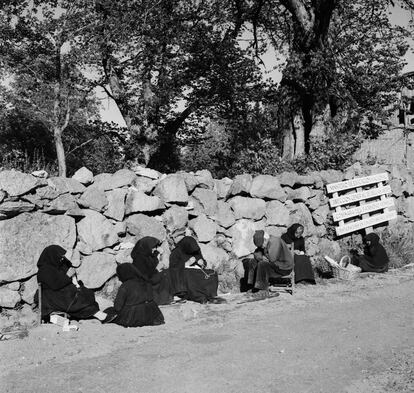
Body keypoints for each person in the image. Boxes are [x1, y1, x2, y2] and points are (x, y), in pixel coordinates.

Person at [36, 245, 116, 323]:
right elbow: (55, 285)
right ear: (53, 257)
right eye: (60, 257)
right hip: (52, 298)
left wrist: (71, 276)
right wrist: (67, 276)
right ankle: (100, 315)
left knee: (85, 292)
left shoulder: (57, 267)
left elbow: (63, 279)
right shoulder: (44, 271)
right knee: (75, 297)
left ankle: (95, 314)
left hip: (61, 294)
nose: (61, 259)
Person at [169, 236, 221, 304]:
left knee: (213, 273)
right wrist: (187, 264)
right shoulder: (176, 253)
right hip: (184, 273)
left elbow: (202, 261)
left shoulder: (195, 250)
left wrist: (202, 263)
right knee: (190, 276)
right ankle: (198, 297)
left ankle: (211, 294)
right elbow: (173, 269)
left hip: (197, 270)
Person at [110, 263, 165, 327]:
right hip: (152, 315)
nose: (119, 279)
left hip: (133, 317)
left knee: (109, 311)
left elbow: (117, 307)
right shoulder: (146, 282)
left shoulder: (125, 286)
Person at [250, 229, 294, 298]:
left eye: (261, 245)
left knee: (262, 264)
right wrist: (261, 256)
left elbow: (272, 258)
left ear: (265, 239)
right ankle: (254, 288)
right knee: (253, 262)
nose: (261, 247)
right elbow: (256, 253)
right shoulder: (265, 243)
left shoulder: (275, 241)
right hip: (275, 266)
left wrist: (262, 256)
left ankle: (263, 290)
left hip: (284, 267)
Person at [131, 236, 172, 305]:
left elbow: (152, 262)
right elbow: (144, 275)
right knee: (165, 274)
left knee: (167, 273)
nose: (154, 249)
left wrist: (157, 253)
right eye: (153, 247)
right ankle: (163, 299)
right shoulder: (139, 259)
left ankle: (167, 297)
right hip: (144, 284)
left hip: (149, 280)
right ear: (146, 247)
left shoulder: (146, 255)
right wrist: (157, 269)